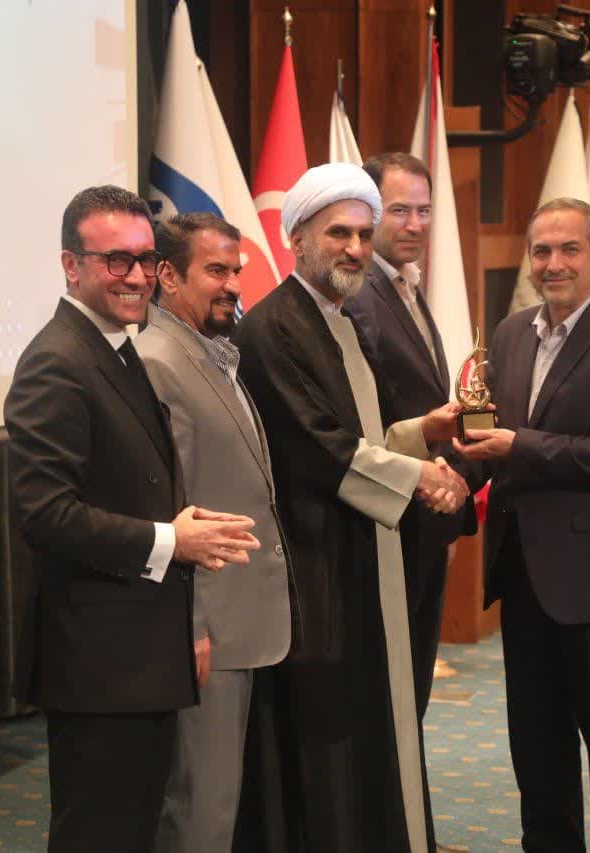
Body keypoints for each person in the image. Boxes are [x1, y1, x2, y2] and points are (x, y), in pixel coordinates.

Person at [4, 185, 260, 852]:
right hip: (98, 662)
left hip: (138, 652)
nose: (139, 276)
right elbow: (45, 513)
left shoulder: (116, 345)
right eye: (117, 260)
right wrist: (173, 540)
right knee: (99, 834)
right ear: (72, 265)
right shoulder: (56, 361)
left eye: (146, 260)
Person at [232, 163, 468, 853]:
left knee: (375, 721)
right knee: (330, 736)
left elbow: (364, 436)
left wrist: (422, 433)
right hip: (314, 565)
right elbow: (317, 447)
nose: (356, 248)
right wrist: (419, 478)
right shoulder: (272, 328)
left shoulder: (341, 321)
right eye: (339, 233)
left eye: (365, 234)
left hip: (362, 551)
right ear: (299, 237)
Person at [454, 197, 590, 852]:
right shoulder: (510, 333)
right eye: (542, 250)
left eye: (570, 249)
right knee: (539, 754)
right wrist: (451, 478)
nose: (554, 264)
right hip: (525, 580)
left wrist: (516, 446)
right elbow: (490, 436)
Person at [134, 212, 295, 852]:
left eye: (236, 270)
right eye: (216, 270)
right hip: (205, 629)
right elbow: (173, 508)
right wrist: (192, 622)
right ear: (168, 276)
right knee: (198, 809)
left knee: (217, 805)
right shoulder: (159, 361)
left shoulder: (209, 350)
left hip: (238, 621)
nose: (232, 284)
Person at [343, 152, 480, 850]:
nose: (416, 224)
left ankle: (410, 832)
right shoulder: (358, 295)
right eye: (399, 210)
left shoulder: (406, 288)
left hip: (423, 520)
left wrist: (458, 475)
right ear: (369, 214)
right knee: (388, 696)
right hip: (384, 522)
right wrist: (435, 477)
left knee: (411, 694)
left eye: (425, 210)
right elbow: (366, 421)